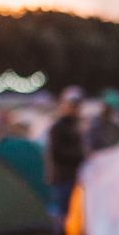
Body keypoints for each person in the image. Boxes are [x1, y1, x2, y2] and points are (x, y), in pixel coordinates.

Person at [46, 87, 85, 223]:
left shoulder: (75, 125)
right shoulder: (58, 127)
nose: (75, 109)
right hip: (62, 177)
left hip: (74, 176)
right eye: (72, 105)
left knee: (72, 212)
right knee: (63, 212)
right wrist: (81, 155)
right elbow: (58, 152)